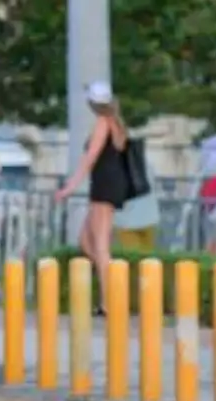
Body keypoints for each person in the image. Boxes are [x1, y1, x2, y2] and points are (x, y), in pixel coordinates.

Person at [55, 80, 130, 315]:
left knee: (100, 245)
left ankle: (109, 301)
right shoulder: (115, 123)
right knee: (87, 241)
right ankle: (112, 288)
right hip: (108, 185)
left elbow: (90, 157)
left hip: (103, 187)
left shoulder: (102, 123)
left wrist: (70, 186)